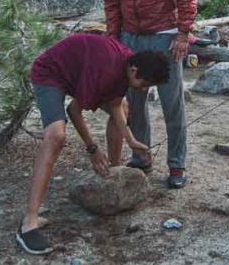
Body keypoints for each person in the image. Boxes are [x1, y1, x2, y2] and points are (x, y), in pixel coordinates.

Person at [17, 33, 170, 255]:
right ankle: (29, 221)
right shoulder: (106, 69)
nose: (143, 89)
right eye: (144, 84)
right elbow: (74, 110)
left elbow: (116, 105)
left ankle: (114, 177)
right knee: (56, 136)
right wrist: (93, 149)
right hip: (50, 74)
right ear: (134, 71)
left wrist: (131, 140)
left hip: (76, 73)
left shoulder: (127, 65)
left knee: (126, 108)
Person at [96, 0, 197, 189]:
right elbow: (111, 1)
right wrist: (115, 41)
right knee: (133, 105)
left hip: (164, 34)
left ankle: (176, 165)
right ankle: (142, 157)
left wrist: (183, 32)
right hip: (131, 37)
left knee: (172, 103)